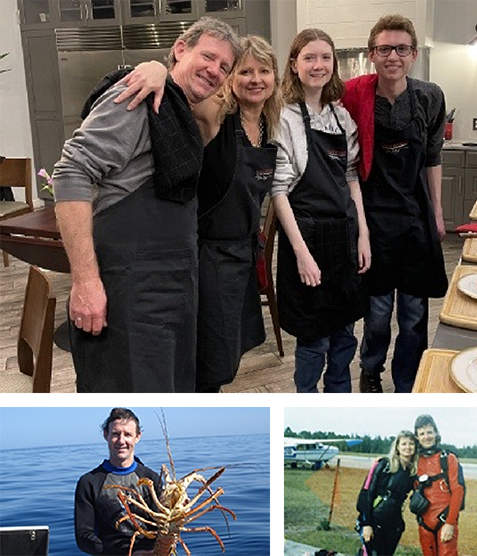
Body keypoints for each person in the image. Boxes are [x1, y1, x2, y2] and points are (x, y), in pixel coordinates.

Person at [52, 18, 240, 405]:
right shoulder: (139, 97)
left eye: (225, 67)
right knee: (128, 411)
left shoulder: (183, 111)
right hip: (128, 295)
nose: (215, 71)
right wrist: (86, 282)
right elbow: (71, 171)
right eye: (208, 56)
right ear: (180, 49)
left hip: (170, 293)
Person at [114, 35, 282, 403]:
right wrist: (156, 68)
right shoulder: (214, 114)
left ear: (275, 78)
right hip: (207, 259)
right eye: (244, 71)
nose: (255, 79)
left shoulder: (270, 125)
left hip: (241, 258)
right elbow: (176, 91)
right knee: (205, 362)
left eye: (264, 71)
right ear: (230, 80)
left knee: (225, 358)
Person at [342, 14, 448, 401]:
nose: (393, 56)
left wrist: (436, 211)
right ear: (372, 54)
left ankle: (408, 382)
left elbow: (433, 155)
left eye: (401, 49)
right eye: (384, 48)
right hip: (374, 221)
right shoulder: (353, 96)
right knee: (378, 313)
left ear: (413, 54)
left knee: (415, 314)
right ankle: (370, 372)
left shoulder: (429, 97)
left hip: (415, 217)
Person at [272, 28, 371, 406]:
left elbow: (351, 179)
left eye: (325, 58)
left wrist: (363, 235)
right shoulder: (282, 116)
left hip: (344, 241)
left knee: (345, 339)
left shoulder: (341, 117)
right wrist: (300, 253)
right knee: (313, 344)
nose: (318, 65)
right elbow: (278, 190)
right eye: (309, 58)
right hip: (307, 239)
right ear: (294, 65)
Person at [75, 408, 161, 556]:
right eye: (115, 434)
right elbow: (84, 538)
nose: (121, 441)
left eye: (128, 434)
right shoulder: (89, 482)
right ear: (105, 435)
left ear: (137, 437)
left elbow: (166, 526)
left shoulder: (151, 479)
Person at [357, 431, 418, 556]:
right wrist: (367, 524)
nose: (408, 447)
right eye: (404, 444)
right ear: (397, 447)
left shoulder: (413, 472)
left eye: (411, 444)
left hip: (393, 525)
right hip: (375, 521)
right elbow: (369, 494)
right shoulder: (384, 465)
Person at [414, 414, 464, 556]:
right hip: (424, 523)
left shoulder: (448, 459)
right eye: (422, 433)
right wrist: (380, 461)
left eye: (429, 432)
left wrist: (449, 523)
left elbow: (458, 491)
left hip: (445, 520)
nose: (427, 437)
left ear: (436, 433)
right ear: (417, 437)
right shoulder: (415, 461)